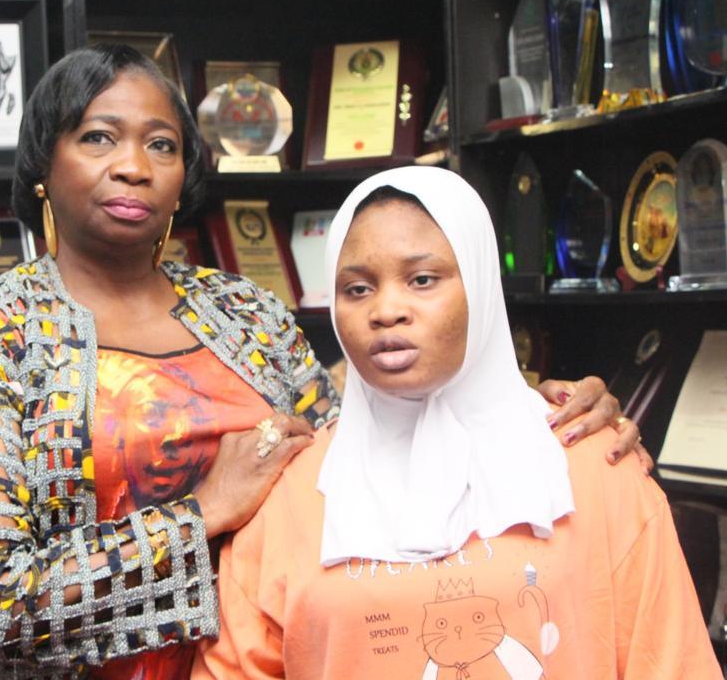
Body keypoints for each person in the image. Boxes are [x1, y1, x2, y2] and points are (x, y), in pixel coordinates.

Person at [0, 45, 643, 680]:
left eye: (161, 145)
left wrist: (525, 407)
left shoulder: (244, 312)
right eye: (99, 138)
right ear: (43, 161)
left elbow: (362, 444)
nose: (133, 167)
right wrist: (202, 513)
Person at [192, 167, 718, 680]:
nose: (386, 310)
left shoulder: (596, 466)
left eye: (422, 280)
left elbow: (670, 661)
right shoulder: (289, 493)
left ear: (482, 286)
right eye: (357, 289)